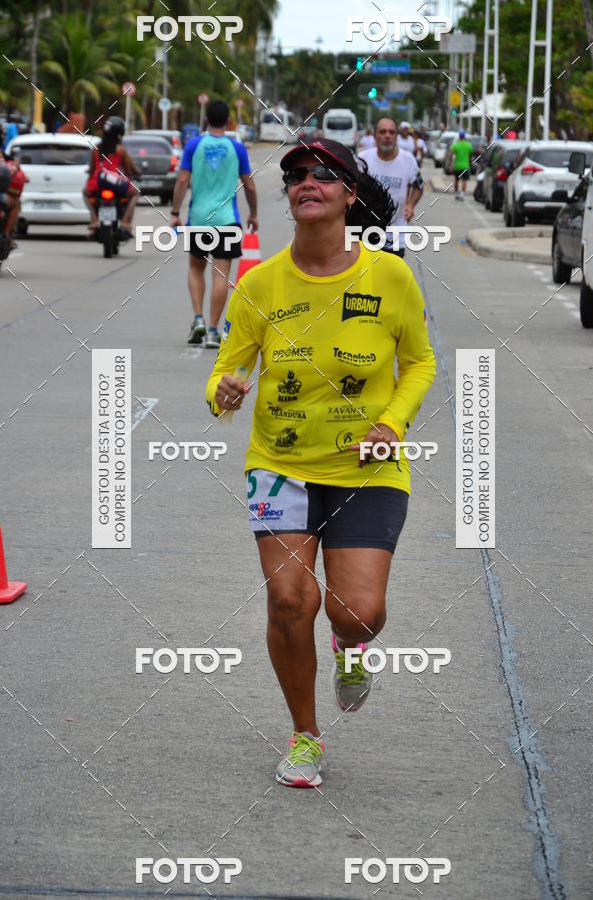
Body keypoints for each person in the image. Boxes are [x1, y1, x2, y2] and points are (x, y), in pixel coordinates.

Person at [205, 138, 436, 788]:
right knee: (288, 599)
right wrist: (220, 392)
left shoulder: (389, 276)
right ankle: (305, 736)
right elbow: (227, 368)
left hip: (368, 468)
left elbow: (419, 361)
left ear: (349, 193)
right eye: (297, 174)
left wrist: (393, 422)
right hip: (279, 466)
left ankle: (351, 646)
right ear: (290, 195)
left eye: (325, 174)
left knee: (357, 609)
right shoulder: (259, 284)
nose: (309, 181)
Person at [170, 99, 258, 348]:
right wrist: (253, 213)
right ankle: (212, 331)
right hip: (227, 221)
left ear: (206, 120)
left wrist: (175, 212)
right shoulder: (237, 149)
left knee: (196, 269)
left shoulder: (193, 145)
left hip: (198, 219)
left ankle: (197, 319)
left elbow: (181, 181)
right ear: (229, 122)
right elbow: (249, 185)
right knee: (221, 274)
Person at [358, 116, 424, 258]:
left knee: (392, 279)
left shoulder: (408, 160)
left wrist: (411, 205)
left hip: (395, 236)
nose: (387, 136)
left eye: (391, 132)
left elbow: (419, 185)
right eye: (382, 132)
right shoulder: (362, 159)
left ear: (396, 136)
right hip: (365, 235)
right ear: (375, 135)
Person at [84, 116, 140, 238]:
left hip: (98, 182)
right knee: (135, 193)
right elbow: (127, 171)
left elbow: (92, 169)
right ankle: (125, 222)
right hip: (115, 181)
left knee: (85, 193)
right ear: (119, 134)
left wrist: (89, 173)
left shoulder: (96, 148)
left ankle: (94, 219)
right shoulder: (121, 150)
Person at [450, 128, 473, 200]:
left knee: (456, 180)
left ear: (459, 136)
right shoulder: (468, 145)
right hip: (465, 166)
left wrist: (451, 164)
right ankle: (462, 194)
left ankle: (457, 193)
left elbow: (451, 155)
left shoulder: (455, 145)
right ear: (464, 136)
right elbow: (470, 155)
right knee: (464, 180)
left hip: (457, 166)